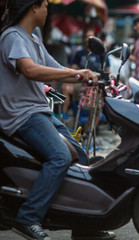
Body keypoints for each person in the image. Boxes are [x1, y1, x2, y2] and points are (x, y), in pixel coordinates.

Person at [0, 1, 113, 239]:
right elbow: (30, 70)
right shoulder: (13, 37)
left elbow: (57, 68)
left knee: (81, 156)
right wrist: (75, 73)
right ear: (33, 7)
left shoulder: (33, 39)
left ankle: (83, 227)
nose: (47, 11)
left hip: (39, 111)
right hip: (22, 114)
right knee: (60, 156)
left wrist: (89, 76)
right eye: (44, 6)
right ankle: (28, 217)